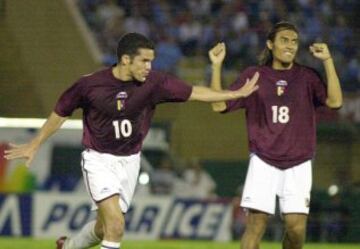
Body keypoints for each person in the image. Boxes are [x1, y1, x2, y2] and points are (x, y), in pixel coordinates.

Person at [4, 32, 259, 249]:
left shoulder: (155, 83)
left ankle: (68, 246)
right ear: (126, 59)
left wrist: (233, 93)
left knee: (105, 229)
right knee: (116, 226)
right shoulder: (90, 85)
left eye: (151, 61)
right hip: (99, 160)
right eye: (144, 61)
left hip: (130, 162)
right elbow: (60, 112)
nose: (149, 66)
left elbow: (196, 93)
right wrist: (35, 143)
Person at [210, 22, 342, 249]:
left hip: (299, 161)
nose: (290, 45)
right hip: (263, 160)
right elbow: (219, 105)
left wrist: (328, 61)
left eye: (294, 41)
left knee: (296, 228)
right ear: (270, 44)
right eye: (284, 40)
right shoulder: (255, 75)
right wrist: (216, 67)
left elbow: (335, 101)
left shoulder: (307, 77)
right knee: (256, 226)